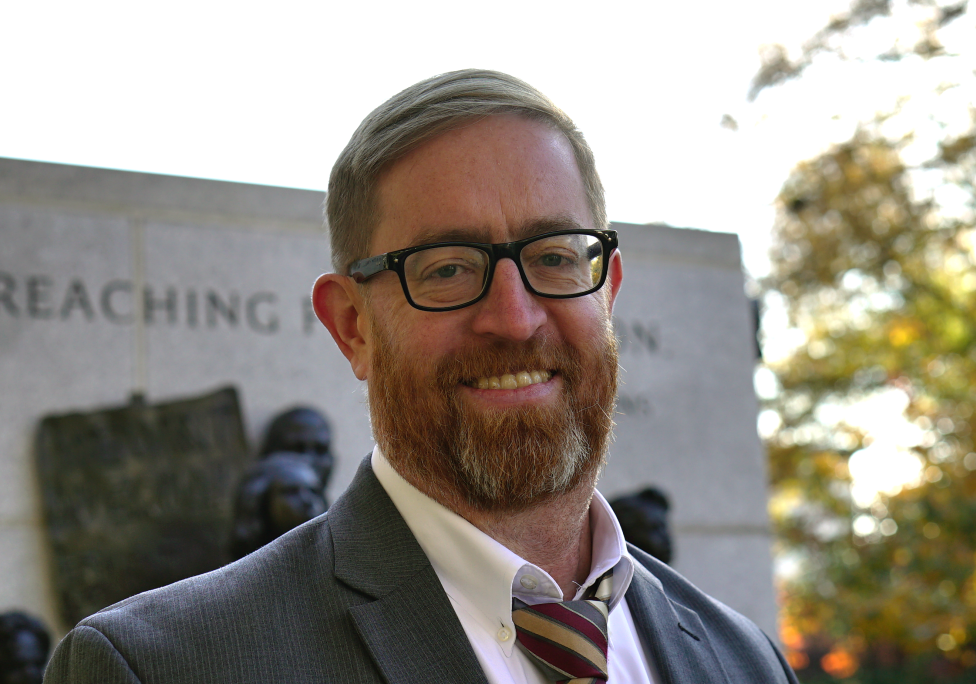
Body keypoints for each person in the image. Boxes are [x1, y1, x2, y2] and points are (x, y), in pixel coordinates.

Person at [44, 69, 798, 684]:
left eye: (554, 257)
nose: (515, 318)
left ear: (607, 292)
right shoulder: (162, 666)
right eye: (446, 268)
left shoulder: (745, 661)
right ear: (352, 326)